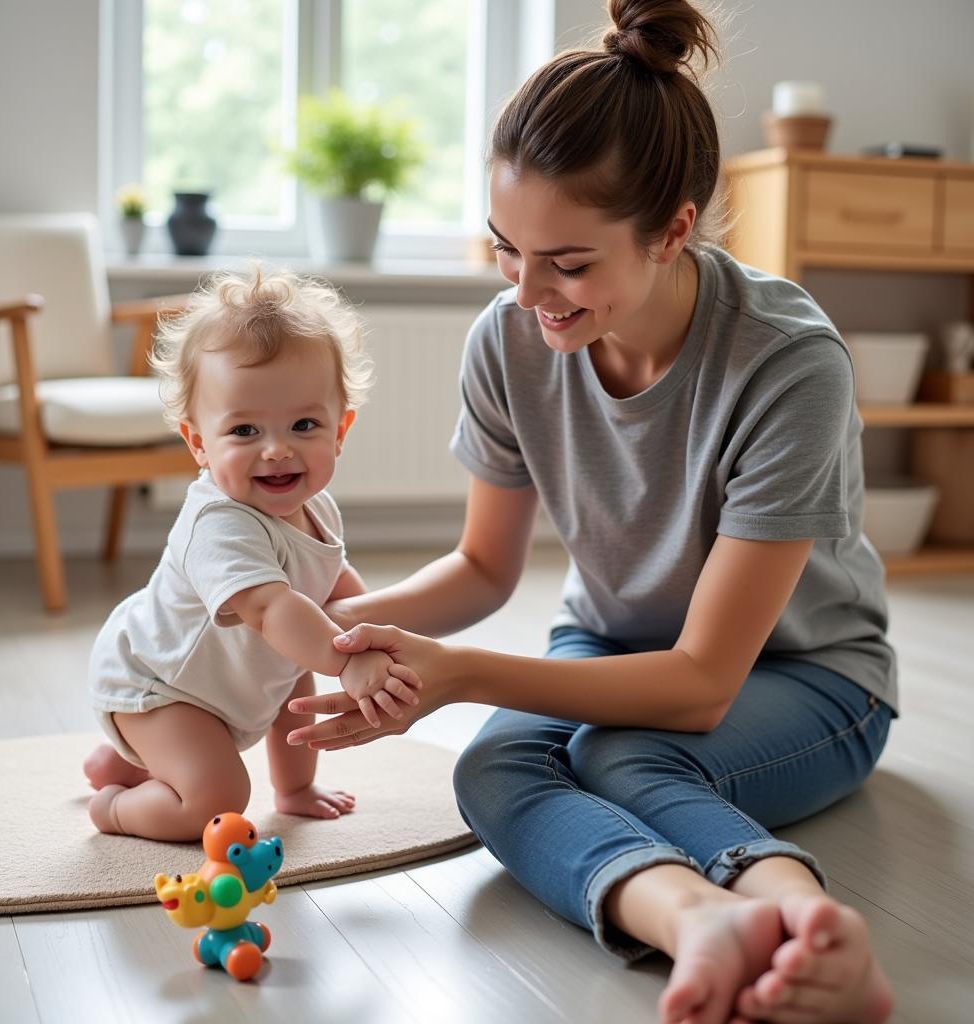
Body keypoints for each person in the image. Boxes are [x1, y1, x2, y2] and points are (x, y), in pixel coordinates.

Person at [282, 2, 897, 1022]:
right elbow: (483, 567)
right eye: (504, 250)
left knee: (618, 750)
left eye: (567, 263)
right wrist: (308, 631)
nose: (527, 293)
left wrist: (457, 674)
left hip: (806, 677)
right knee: (490, 766)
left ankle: (798, 921)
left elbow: (701, 685)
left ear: (673, 230)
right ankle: (697, 919)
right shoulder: (510, 337)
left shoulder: (788, 361)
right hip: (609, 647)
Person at [82, 266, 421, 841]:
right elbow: (269, 609)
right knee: (218, 799)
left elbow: (332, 576)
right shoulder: (218, 523)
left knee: (295, 672)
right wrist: (347, 659)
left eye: (304, 424)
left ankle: (278, 785)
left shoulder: (317, 506)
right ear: (198, 442)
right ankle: (114, 805)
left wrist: (372, 630)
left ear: (340, 430)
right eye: (244, 432)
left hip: (236, 674)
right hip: (161, 685)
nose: (277, 450)